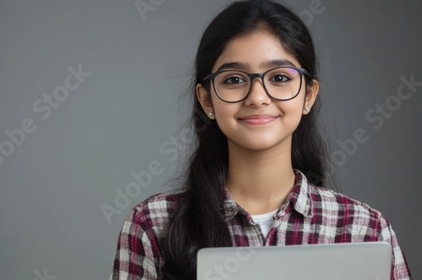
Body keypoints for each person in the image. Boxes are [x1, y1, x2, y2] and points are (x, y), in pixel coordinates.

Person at [110, 0, 412, 279]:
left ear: (308, 95)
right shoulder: (152, 226)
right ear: (207, 101)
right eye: (233, 80)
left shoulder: (365, 230)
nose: (257, 98)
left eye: (279, 77)